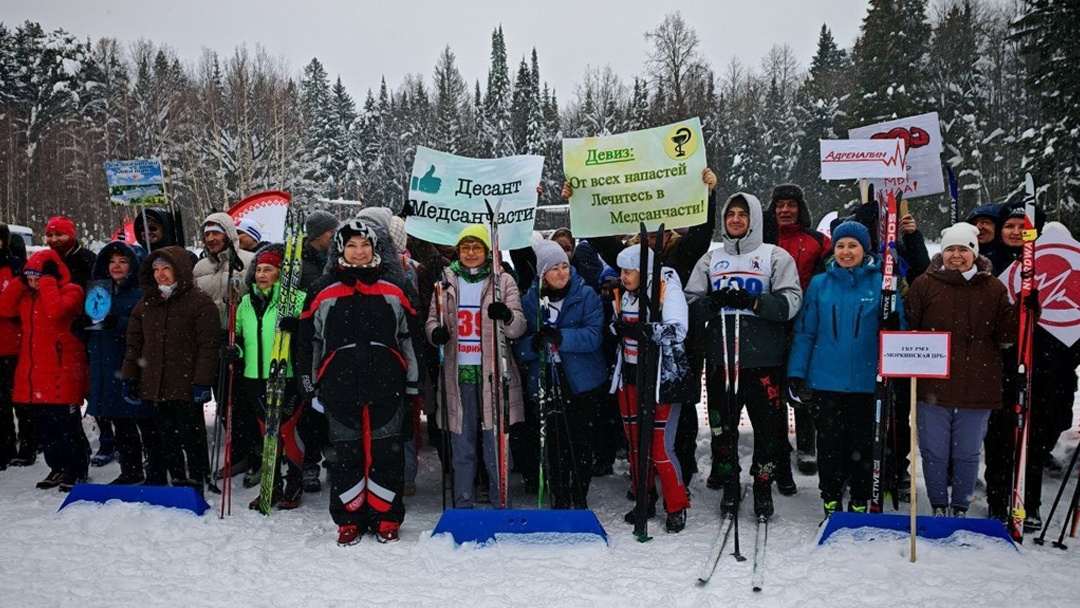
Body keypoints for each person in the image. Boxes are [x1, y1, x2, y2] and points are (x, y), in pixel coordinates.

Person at [563, 168, 719, 487]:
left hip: (676, 353)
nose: (650, 240)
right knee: (639, 422)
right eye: (645, 234)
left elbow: (703, 233)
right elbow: (599, 238)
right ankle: (643, 478)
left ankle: (680, 472)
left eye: (654, 235)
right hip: (638, 358)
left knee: (678, 418)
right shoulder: (630, 259)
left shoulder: (681, 251)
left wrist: (709, 194)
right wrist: (577, 201)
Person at [296, 219, 419, 545]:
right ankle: (349, 517)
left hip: (387, 385)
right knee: (346, 454)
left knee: (386, 453)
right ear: (340, 249)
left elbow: (409, 340)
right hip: (339, 387)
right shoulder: (322, 290)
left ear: (375, 247)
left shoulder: (395, 287)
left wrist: (413, 383)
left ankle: (386, 516)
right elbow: (309, 342)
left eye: (365, 245)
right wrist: (309, 385)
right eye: (352, 245)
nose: (359, 251)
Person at [685, 192, 802, 521]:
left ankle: (763, 486)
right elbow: (689, 305)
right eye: (730, 214)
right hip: (722, 359)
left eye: (742, 214)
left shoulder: (774, 256)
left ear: (753, 219)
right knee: (722, 429)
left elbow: (791, 302)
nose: (735, 219)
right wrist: (712, 303)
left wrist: (754, 302)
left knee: (767, 430)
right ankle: (730, 483)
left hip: (763, 361)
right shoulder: (711, 259)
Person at [786, 222, 904, 516]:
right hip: (827, 380)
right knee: (830, 446)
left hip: (868, 381)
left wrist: (892, 326)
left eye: (853, 245)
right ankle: (831, 497)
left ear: (864, 250)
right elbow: (806, 332)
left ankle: (860, 498)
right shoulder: (819, 284)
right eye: (840, 246)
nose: (846, 251)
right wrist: (796, 372)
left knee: (863, 446)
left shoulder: (882, 283)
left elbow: (899, 330)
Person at [904, 223, 1016, 516]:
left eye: (963, 250)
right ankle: (939, 504)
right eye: (951, 249)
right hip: (934, 385)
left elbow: (1007, 336)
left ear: (974, 253)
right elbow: (909, 325)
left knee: (967, 453)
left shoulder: (993, 287)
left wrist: (1024, 311)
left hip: (979, 383)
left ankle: (961, 506)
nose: (956, 255)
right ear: (942, 252)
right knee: (934, 452)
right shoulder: (924, 284)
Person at [982, 201, 1076, 529]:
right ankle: (997, 498)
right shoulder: (988, 263)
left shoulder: (1050, 263)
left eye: (1024, 227)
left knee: (1033, 439)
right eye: (1009, 225)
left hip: (1045, 365)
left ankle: (1028, 501)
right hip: (1000, 365)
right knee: (998, 437)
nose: (1016, 232)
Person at [425, 224, 526, 510]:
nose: (471, 253)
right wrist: (436, 334)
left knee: (495, 447)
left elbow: (519, 326)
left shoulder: (502, 281)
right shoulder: (445, 281)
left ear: (487, 251)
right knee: (462, 446)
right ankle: (463, 504)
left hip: (493, 373)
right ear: (458, 251)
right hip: (458, 373)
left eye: (477, 247)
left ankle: (500, 502)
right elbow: (432, 321)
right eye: (466, 248)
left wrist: (506, 316)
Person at [514, 240, 606, 510]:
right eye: (554, 268)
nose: (562, 273)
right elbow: (519, 346)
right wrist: (533, 344)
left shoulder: (585, 294)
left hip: (580, 380)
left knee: (579, 441)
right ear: (542, 272)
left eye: (564, 266)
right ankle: (559, 495)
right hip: (545, 379)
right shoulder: (530, 300)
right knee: (553, 444)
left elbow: (594, 335)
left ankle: (579, 495)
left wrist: (561, 337)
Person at [122, 247, 221, 497]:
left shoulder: (199, 302)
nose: (160, 275)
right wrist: (130, 377)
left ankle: (197, 478)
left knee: (192, 434)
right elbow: (134, 344)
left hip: (186, 383)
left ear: (179, 270)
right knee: (165, 436)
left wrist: (202, 382)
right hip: (155, 383)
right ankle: (177, 477)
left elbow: (208, 346)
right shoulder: (146, 303)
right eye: (155, 269)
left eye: (166, 268)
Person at [609, 242, 692, 532]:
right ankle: (644, 498)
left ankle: (676, 504)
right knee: (635, 445)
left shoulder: (665, 287)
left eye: (629, 271)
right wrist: (618, 328)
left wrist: (646, 331)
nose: (624, 276)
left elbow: (678, 329)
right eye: (621, 270)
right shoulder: (622, 293)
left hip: (660, 379)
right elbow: (616, 325)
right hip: (630, 377)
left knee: (659, 448)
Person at [0, 248, 90, 491]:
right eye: (29, 278)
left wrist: (49, 281)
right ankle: (58, 467)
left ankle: (77, 469)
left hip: (63, 370)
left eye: (36, 277)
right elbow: (5, 308)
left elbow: (56, 311)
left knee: (67, 426)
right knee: (45, 426)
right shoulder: (27, 296)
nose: (33, 282)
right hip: (36, 372)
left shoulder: (72, 291)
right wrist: (19, 282)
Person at [764, 183, 832, 482]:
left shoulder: (818, 241)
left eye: (791, 205)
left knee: (803, 386)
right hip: (770, 323)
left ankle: (808, 447)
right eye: (779, 205)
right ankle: (780, 445)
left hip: (805, 325)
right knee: (773, 389)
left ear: (800, 209)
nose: (785, 210)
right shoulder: (762, 239)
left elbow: (835, 270)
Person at [234, 244, 306, 510]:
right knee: (267, 434)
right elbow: (239, 338)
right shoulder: (245, 302)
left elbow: (310, 336)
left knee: (287, 430)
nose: (261, 274)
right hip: (255, 376)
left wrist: (297, 328)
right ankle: (272, 485)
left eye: (268, 269)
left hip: (285, 376)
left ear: (280, 273)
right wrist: (234, 351)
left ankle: (294, 482)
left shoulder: (296, 299)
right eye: (259, 270)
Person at [85, 241, 162, 485]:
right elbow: (95, 327)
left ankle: (156, 472)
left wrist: (118, 324)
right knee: (121, 425)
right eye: (112, 261)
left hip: (133, 367)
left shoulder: (142, 292)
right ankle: (130, 470)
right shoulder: (100, 291)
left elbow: (149, 328)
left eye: (123, 261)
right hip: (107, 367)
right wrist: (81, 328)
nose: (117, 266)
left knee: (146, 424)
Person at [193, 212, 255, 482]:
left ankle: (254, 452)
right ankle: (238, 451)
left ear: (228, 234)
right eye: (207, 234)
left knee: (244, 399)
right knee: (224, 401)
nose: (211, 238)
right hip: (212, 339)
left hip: (243, 338)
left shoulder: (248, 262)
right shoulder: (199, 268)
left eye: (216, 233)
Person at [296, 209, 338, 493]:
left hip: (333, 341)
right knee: (310, 410)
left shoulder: (335, 262)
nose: (334, 239)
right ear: (317, 236)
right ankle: (310, 462)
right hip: (307, 342)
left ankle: (334, 461)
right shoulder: (299, 267)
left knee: (333, 409)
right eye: (330, 234)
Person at [0, 223, 33, 469]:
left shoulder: (16, 268)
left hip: (16, 345)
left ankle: (29, 446)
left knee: (21, 399)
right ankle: (5, 448)